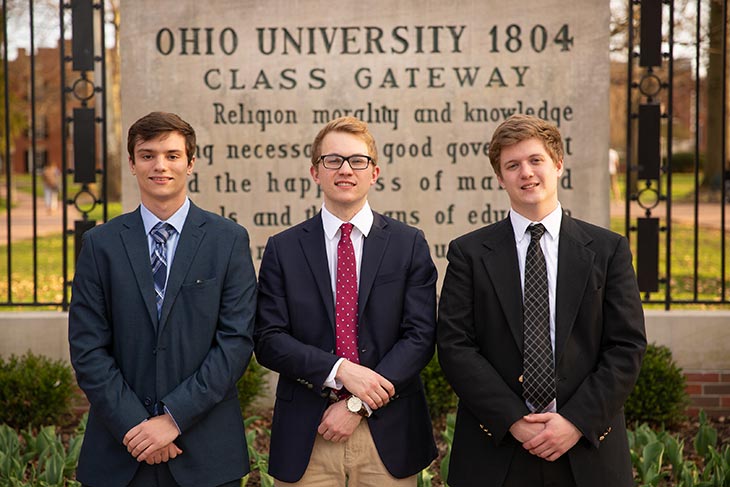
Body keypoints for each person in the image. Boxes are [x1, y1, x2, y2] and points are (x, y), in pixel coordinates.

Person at [437, 114, 646, 487]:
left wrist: (575, 422)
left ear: (558, 164)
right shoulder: (468, 253)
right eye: (512, 165)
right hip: (496, 448)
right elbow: (456, 346)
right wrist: (514, 421)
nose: (526, 173)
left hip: (585, 450)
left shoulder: (607, 250)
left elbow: (626, 345)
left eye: (536, 160)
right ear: (500, 178)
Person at [68, 111, 257, 487]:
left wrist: (173, 419)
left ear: (191, 163)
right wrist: (137, 427)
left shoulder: (228, 240)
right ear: (133, 164)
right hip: (121, 451)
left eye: (172, 155)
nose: (160, 165)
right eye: (148, 155)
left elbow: (235, 342)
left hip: (206, 452)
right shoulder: (100, 245)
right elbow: (87, 348)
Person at [254, 116, 438, 486]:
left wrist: (358, 402)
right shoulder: (283, 248)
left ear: (374, 172)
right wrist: (340, 370)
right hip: (308, 434)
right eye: (332, 160)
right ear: (315, 172)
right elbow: (269, 339)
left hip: (388, 434)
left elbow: (420, 336)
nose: (345, 170)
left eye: (357, 160)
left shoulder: (408, 243)